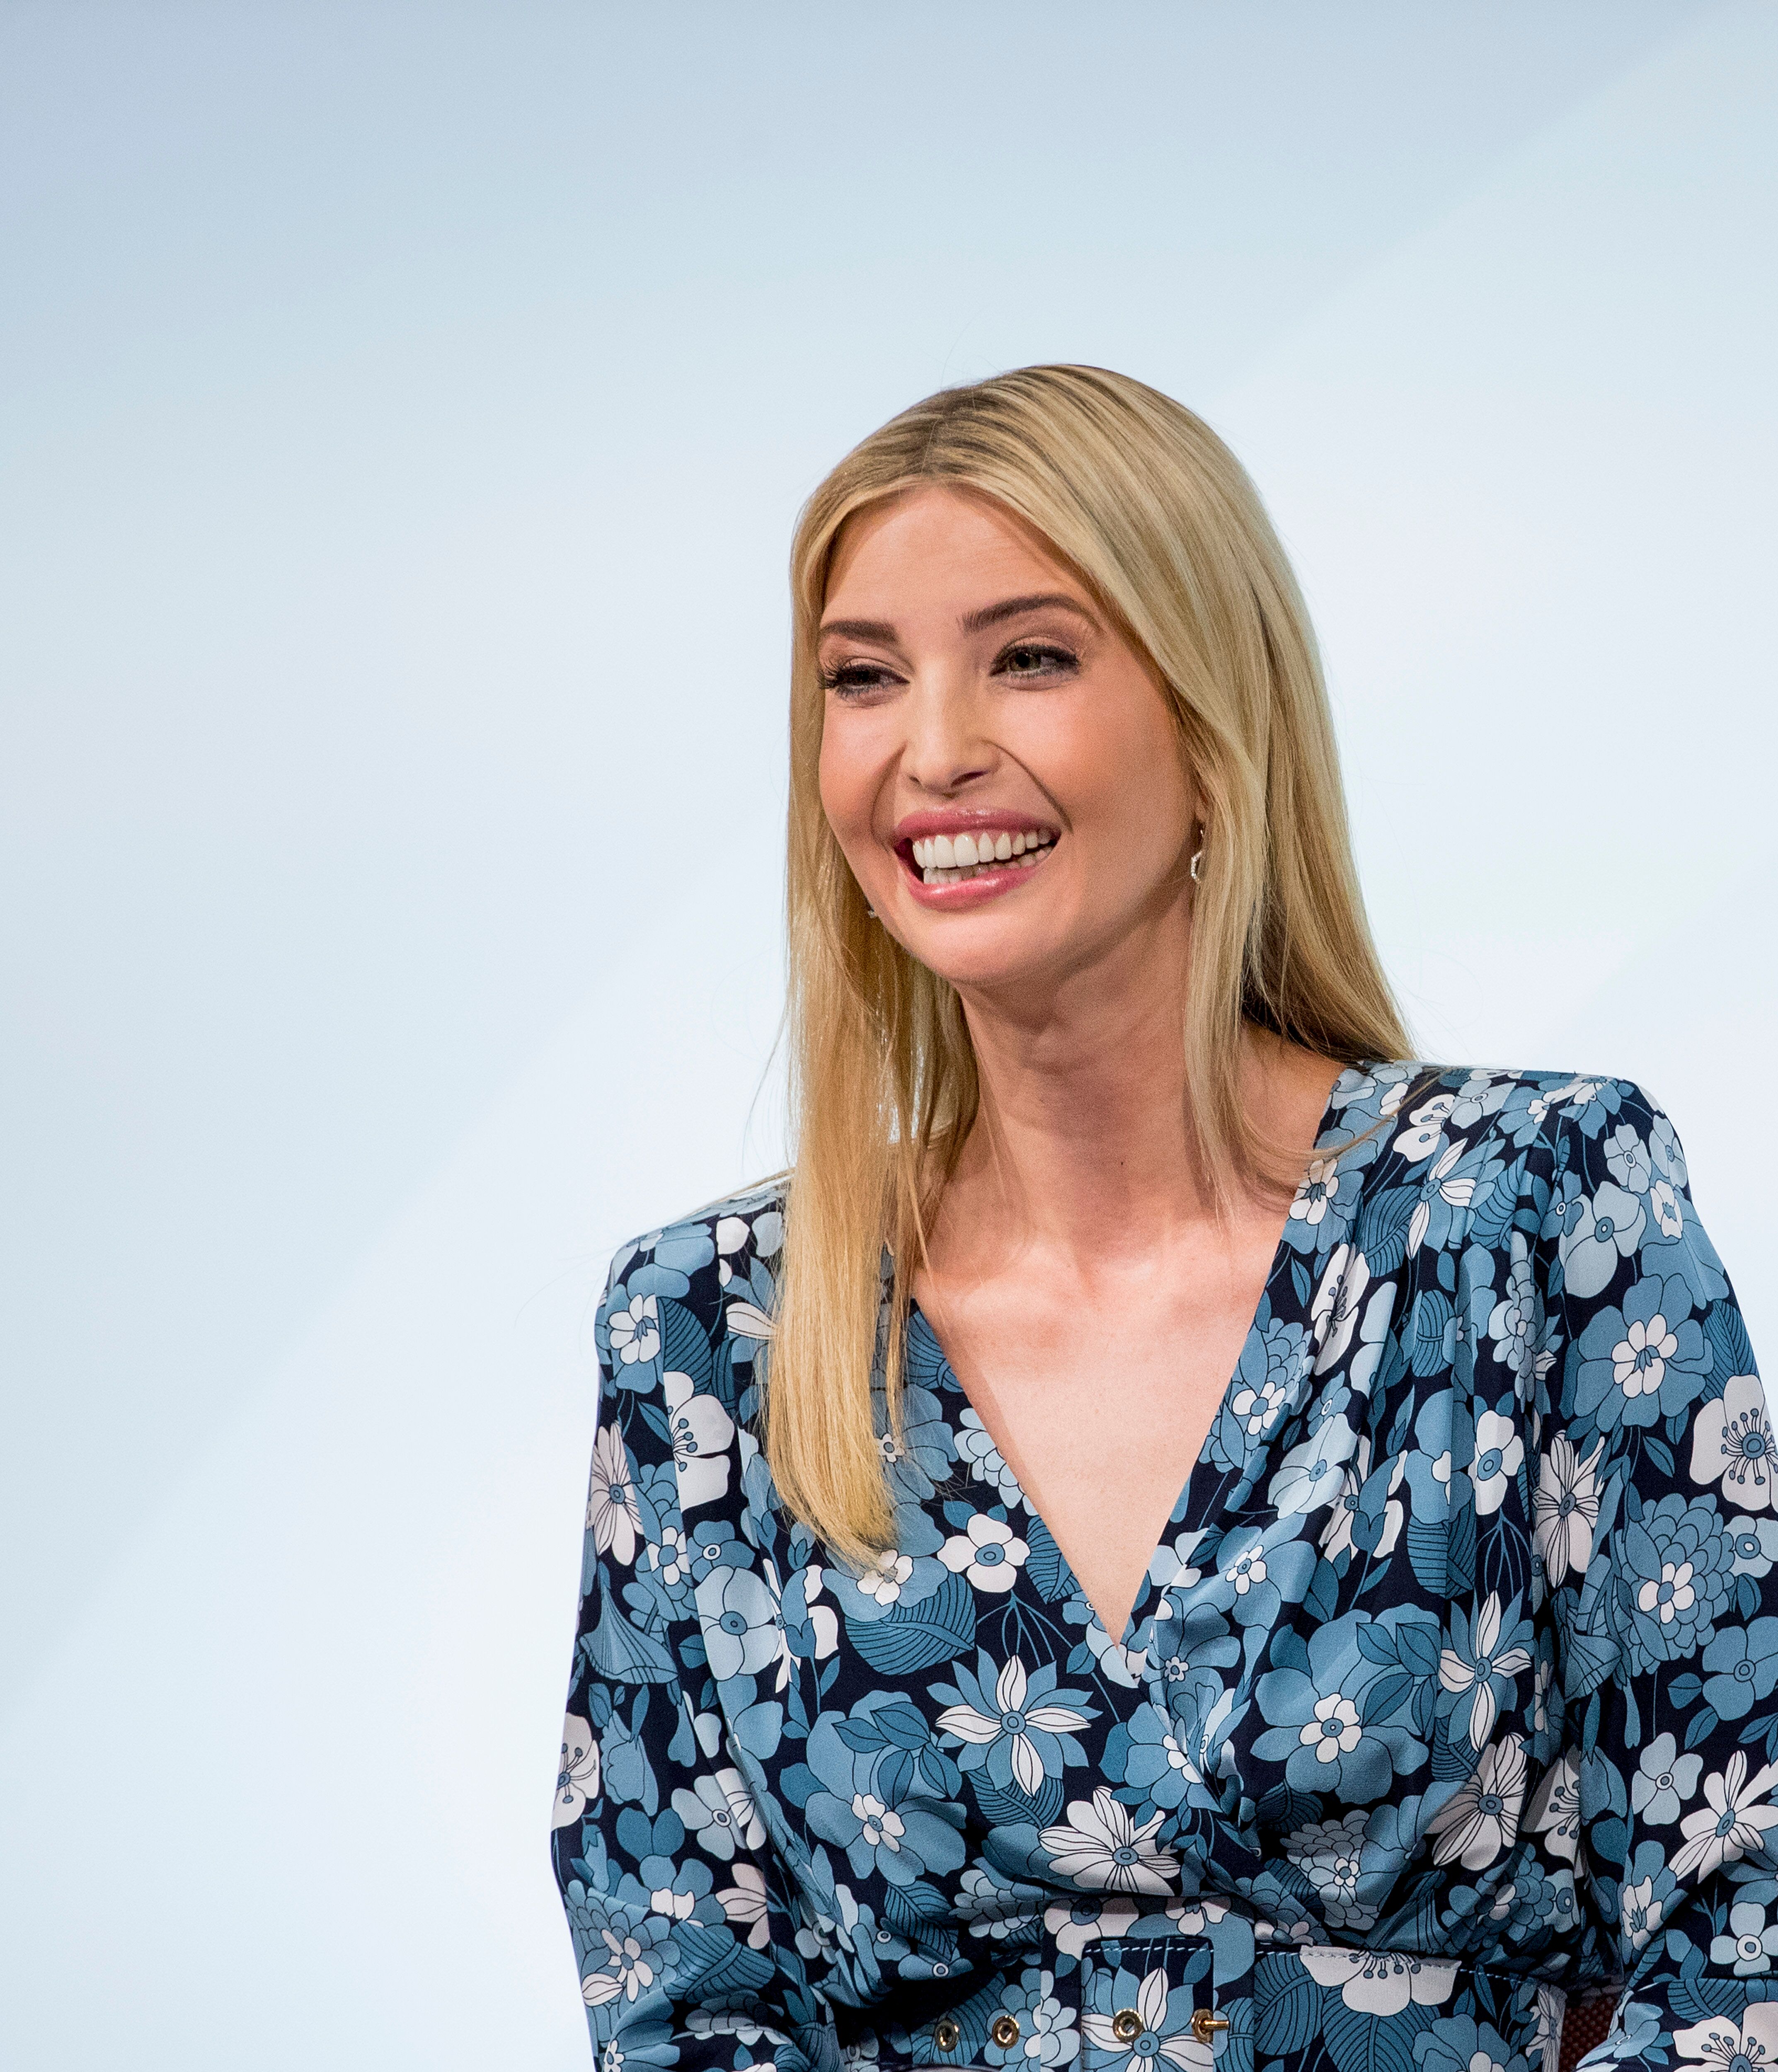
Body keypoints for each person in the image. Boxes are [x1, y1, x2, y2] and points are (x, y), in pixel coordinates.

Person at [550, 366, 1771, 2072]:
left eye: (1028, 656)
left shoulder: (1530, 1210)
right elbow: (683, 1995)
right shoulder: (709, 1325)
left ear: (1212, 725)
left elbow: (1747, 1908)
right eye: (861, 677)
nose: (930, 747)